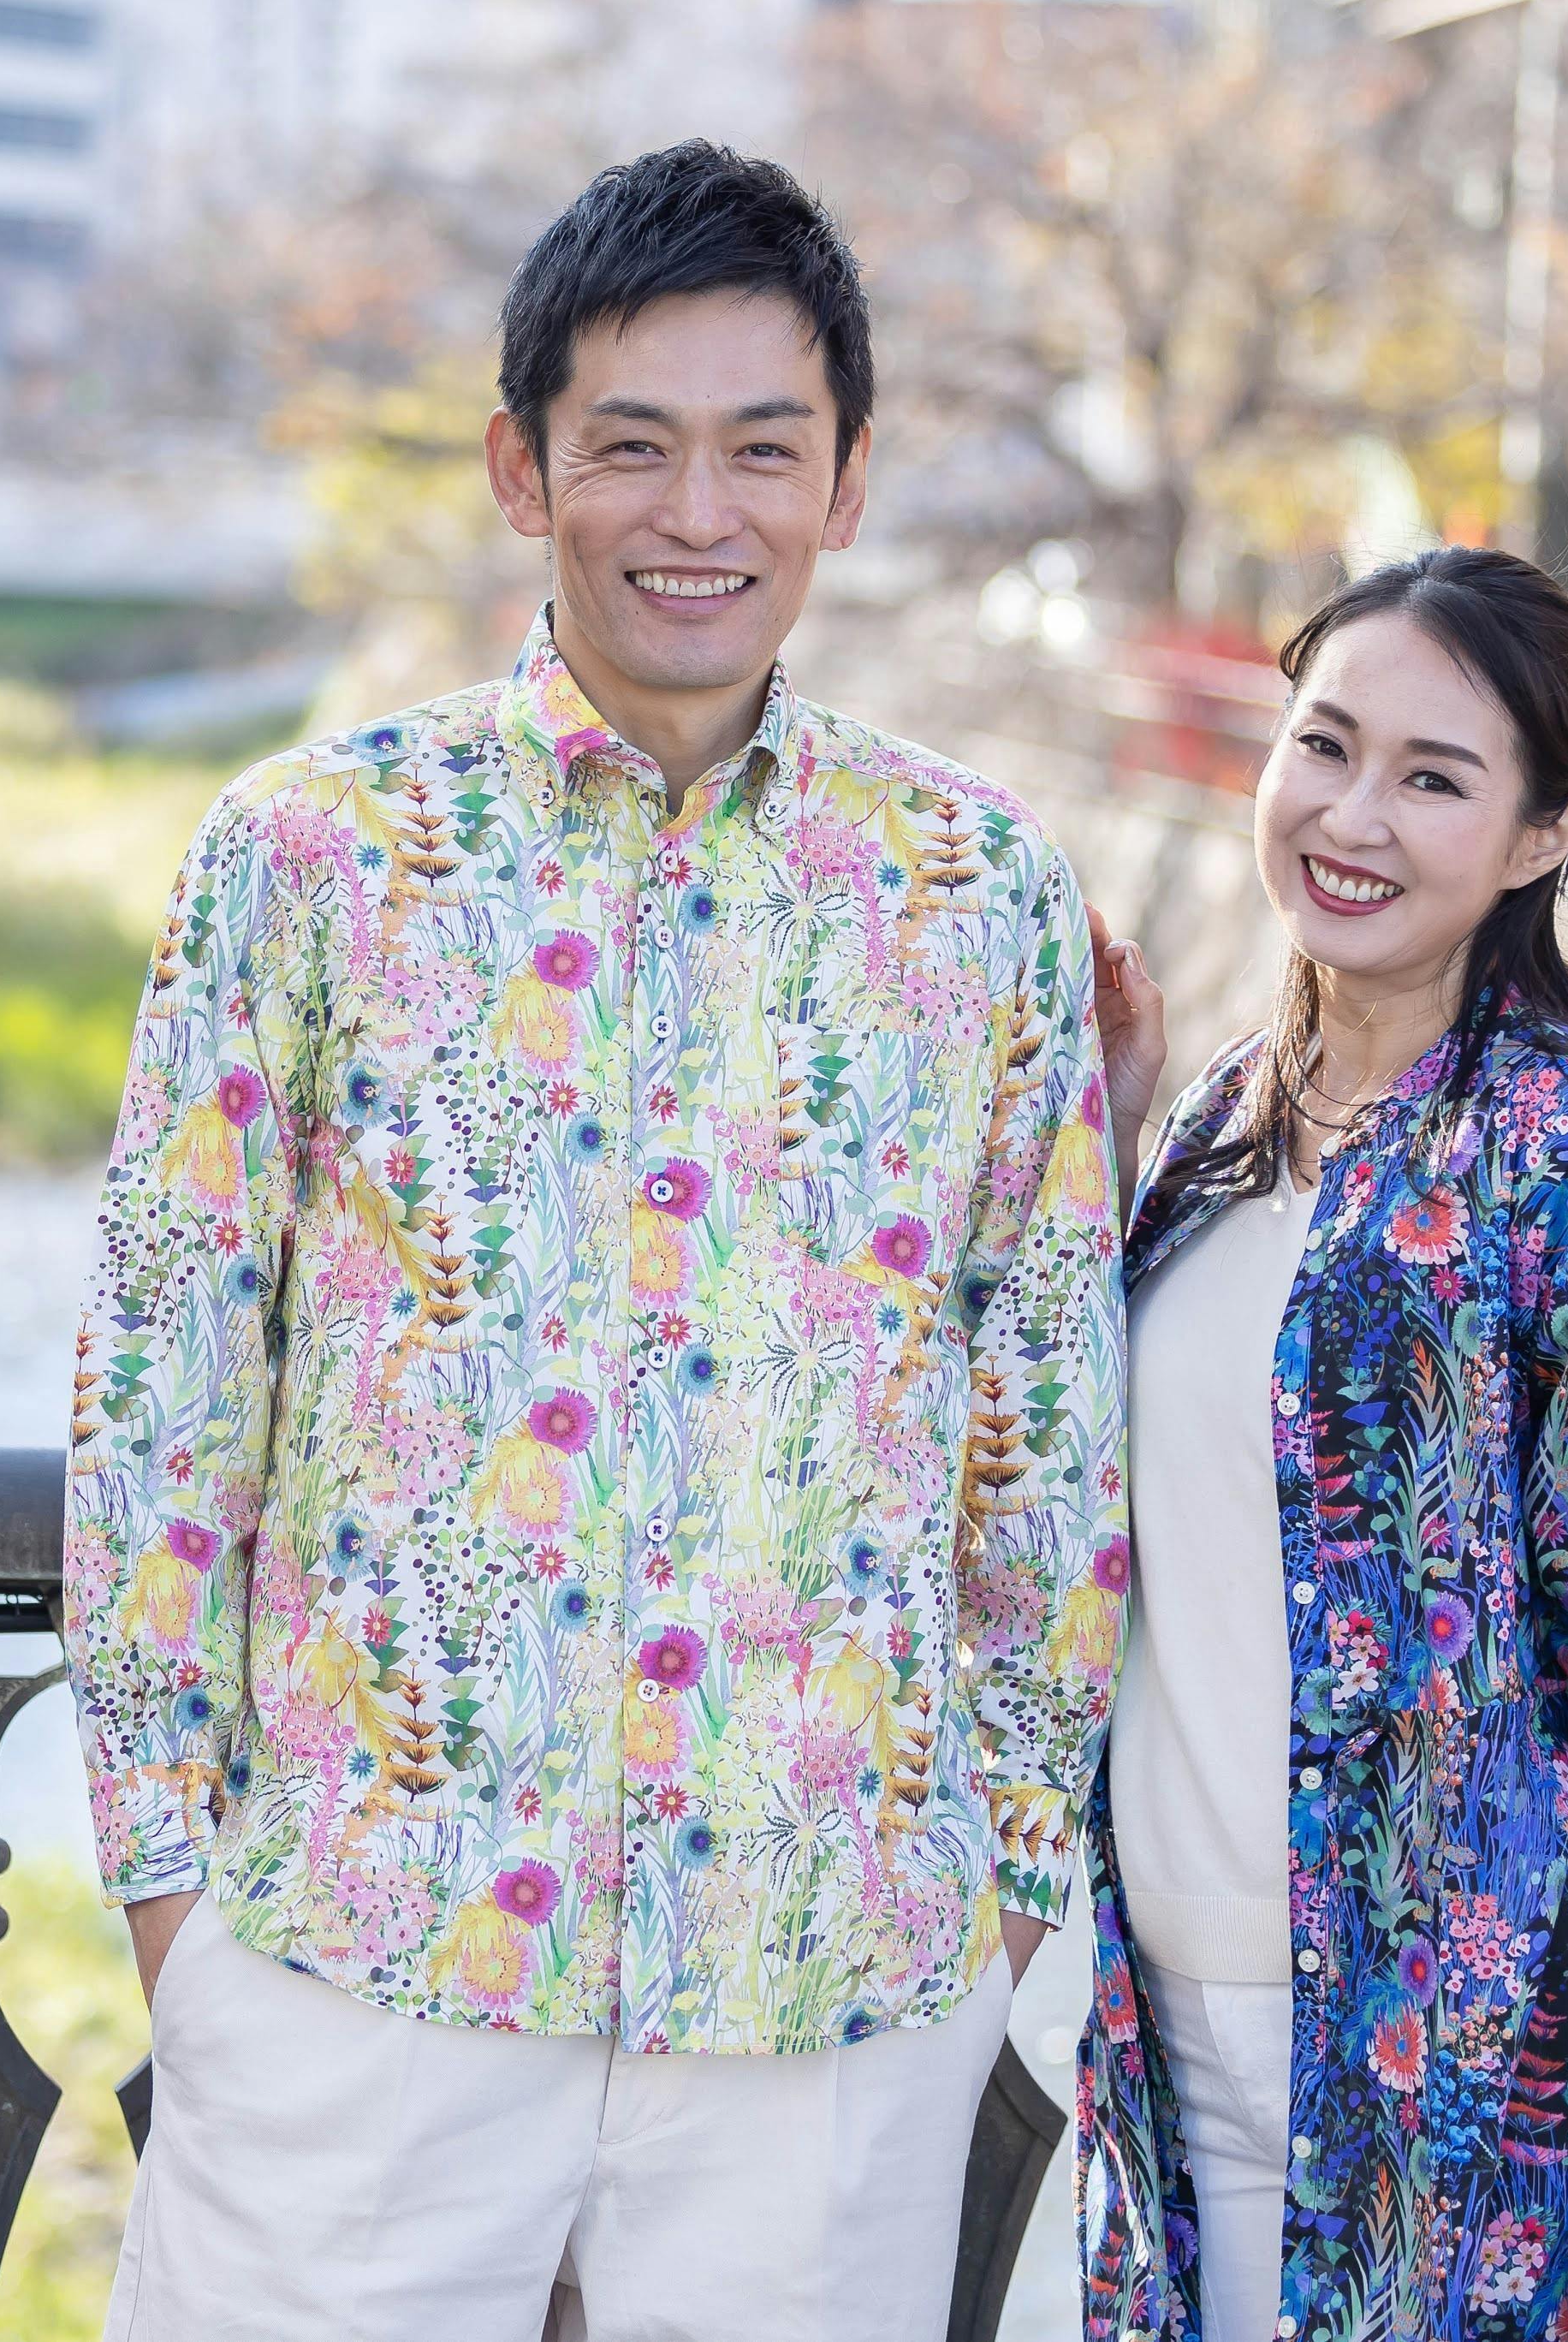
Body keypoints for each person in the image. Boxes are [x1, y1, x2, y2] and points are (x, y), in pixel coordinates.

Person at [62, 140, 1130, 2342]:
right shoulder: (310, 853)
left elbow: (1046, 1433)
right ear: (517, 467)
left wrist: (1008, 1879)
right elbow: (166, 1389)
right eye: (629, 444)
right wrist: (177, 1893)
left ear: (847, 486)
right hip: (363, 1962)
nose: (695, 511)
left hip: (821, 1986)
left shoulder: (978, 891)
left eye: (764, 448)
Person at [1075, 546, 1568, 2342]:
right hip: (1172, 2046)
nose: (1352, 816)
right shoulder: (1213, 1131)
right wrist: (1105, 1161)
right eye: (1324, 744)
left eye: (1434, 778)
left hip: (1474, 2089)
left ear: (1542, 833)